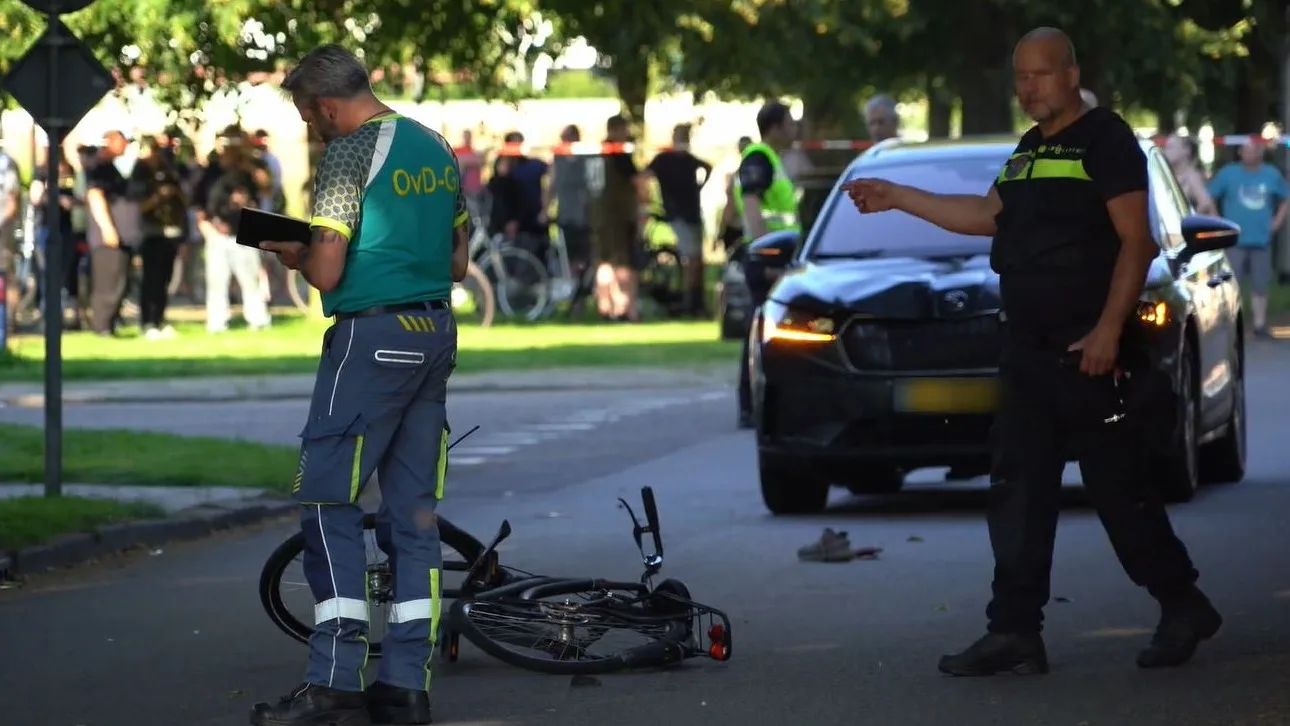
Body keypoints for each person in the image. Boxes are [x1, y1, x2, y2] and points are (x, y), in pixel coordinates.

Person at [845, 26, 1219, 676]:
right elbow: (988, 216)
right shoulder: (1025, 151)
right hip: (1026, 352)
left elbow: (1137, 243)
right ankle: (1015, 630)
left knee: (1118, 490)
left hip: (1091, 352)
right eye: (1020, 76)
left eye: (1041, 74)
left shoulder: (1108, 140)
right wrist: (898, 197)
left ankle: (1182, 603)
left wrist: (1107, 331)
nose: (1028, 87)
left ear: (1071, 74)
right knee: (1017, 491)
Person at [251, 43, 468, 726]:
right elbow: (458, 259)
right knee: (415, 515)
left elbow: (327, 273)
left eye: (310, 118)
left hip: (369, 340)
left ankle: (335, 680)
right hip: (434, 334)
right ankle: (406, 682)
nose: (314, 131)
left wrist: (294, 252)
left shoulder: (349, 153)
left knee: (326, 500)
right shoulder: (433, 144)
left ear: (325, 106)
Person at [734, 101, 801, 428]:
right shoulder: (759, 158)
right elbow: (750, 205)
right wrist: (766, 255)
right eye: (790, 122)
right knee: (762, 332)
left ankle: (769, 404)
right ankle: (750, 406)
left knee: (771, 331)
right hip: (767, 259)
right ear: (775, 126)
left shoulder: (772, 159)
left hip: (777, 256)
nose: (795, 128)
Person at [1208, 138, 1286, 338]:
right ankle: (1230, 323)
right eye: (1245, 150)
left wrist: (1277, 222)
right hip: (1234, 239)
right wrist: (1217, 220)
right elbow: (1210, 197)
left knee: (1261, 283)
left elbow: (1285, 198)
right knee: (1232, 283)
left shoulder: (1271, 174)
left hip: (1261, 239)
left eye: (1253, 150)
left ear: (1260, 153)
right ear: (1240, 153)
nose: (1249, 154)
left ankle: (1260, 324)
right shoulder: (1228, 173)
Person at [198, 137, 272, 333]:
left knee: (250, 279)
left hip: (244, 229)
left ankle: (258, 319)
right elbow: (200, 204)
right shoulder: (211, 174)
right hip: (217, 232)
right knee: (217, 281)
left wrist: (249, 166)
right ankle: (217, 322)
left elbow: (265, 188)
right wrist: (207, 228)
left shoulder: (247, 174)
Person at [646, 123, 713, 316]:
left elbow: (707, 166)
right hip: (678, 214)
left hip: (690, 212)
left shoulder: (684, 159)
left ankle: (694, 300)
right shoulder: (665, 159)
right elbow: (645, 176)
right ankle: (688, 301)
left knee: (696, 259)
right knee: (692, 259)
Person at [588, 114, 647, 321]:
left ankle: (605, 306)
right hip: (618, 215)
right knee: (624, 264)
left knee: (604, 262)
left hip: (599, 216)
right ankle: (626, 308)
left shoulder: (597, 153)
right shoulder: (618, 153)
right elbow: (637, 180)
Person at [84, 125, 140, 336]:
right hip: (108, 238)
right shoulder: (98, 169)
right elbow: (95, 197)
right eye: (122, 140)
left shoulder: (113, 168)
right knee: (107, 283)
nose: (126, 145)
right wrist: (108, 229)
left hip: (122, 236)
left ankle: (111, 324)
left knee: (120, 281)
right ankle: (102, 327)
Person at [135, 138, 188, 339]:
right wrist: (159, 196)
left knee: (165, 279)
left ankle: (159, 319)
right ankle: (147, 321)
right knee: (151, 280)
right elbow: (138, 206)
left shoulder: (170, 172)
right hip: (151, 232)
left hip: (171, 231)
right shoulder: (140, 174)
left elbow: (184, 199)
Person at [542, 124, 593, 293]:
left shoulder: (587, 158)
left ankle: (581, 289)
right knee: (569, 256)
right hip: (566, 215)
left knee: (585, 256)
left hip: (585, 215)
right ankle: (573, 292)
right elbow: (551, 186)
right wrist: (545, 210)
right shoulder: (559, 159)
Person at [1163, 135, 1216, 215]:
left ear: (1186, 150)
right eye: (1166, 147)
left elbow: (1205, 203)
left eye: (1170, 147)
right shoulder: (1173, 175)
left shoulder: (1192, 177)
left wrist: (1189, 222)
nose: (1165, 151)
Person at [0, 142, 19, 335]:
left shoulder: (6, 163)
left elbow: (12, 201)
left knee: (5, 274)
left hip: (2, 229)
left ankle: (8, 323)